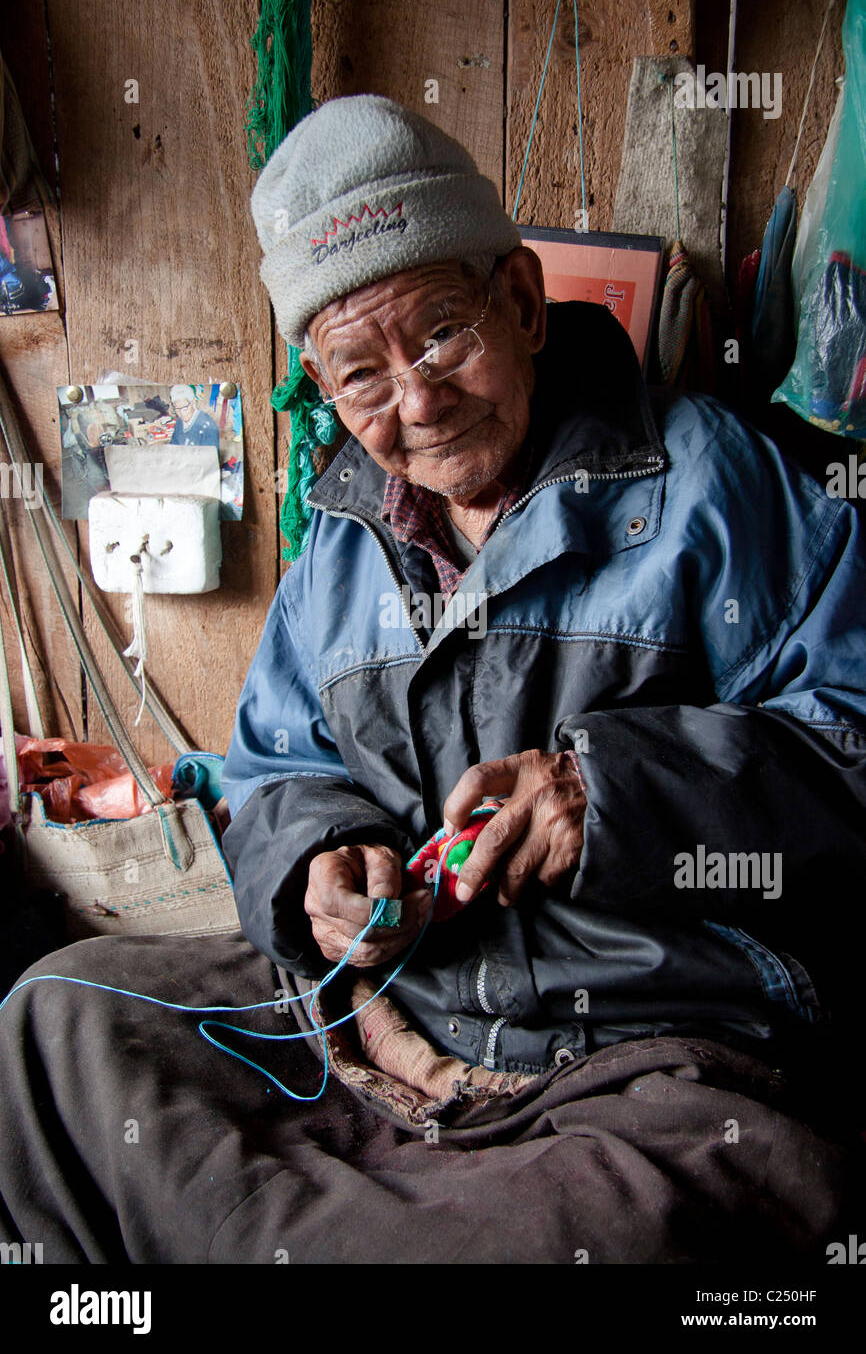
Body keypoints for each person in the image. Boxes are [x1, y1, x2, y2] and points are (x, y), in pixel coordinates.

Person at [0, 95, 864, 1267]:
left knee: (583, 1225)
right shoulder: (341, 546)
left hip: (636, 1049)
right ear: (320, 381)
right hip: (381, 1018)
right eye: (359, 375)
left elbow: (847, 743)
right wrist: (320, 858)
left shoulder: (715, 483)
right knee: (58, 1024)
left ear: (517, 298)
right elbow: (271, 769)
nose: (414, 402)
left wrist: (601, 793)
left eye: (440, 334)